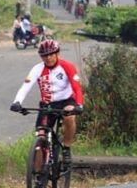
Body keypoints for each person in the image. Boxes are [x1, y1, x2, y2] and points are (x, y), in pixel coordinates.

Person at [10, 39, 84, 169]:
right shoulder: (37, 69)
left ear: (57, 53)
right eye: (45, 55)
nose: (48, 58)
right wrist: (17, 102)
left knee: (70, 116)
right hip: (47, 104)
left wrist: (79, 105)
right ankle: (38, 176)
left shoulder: (67, 66)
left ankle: (66, 148)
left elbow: (77, 88)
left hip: (66, 100)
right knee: (40, 138)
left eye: (51, 54)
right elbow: (25, 87)